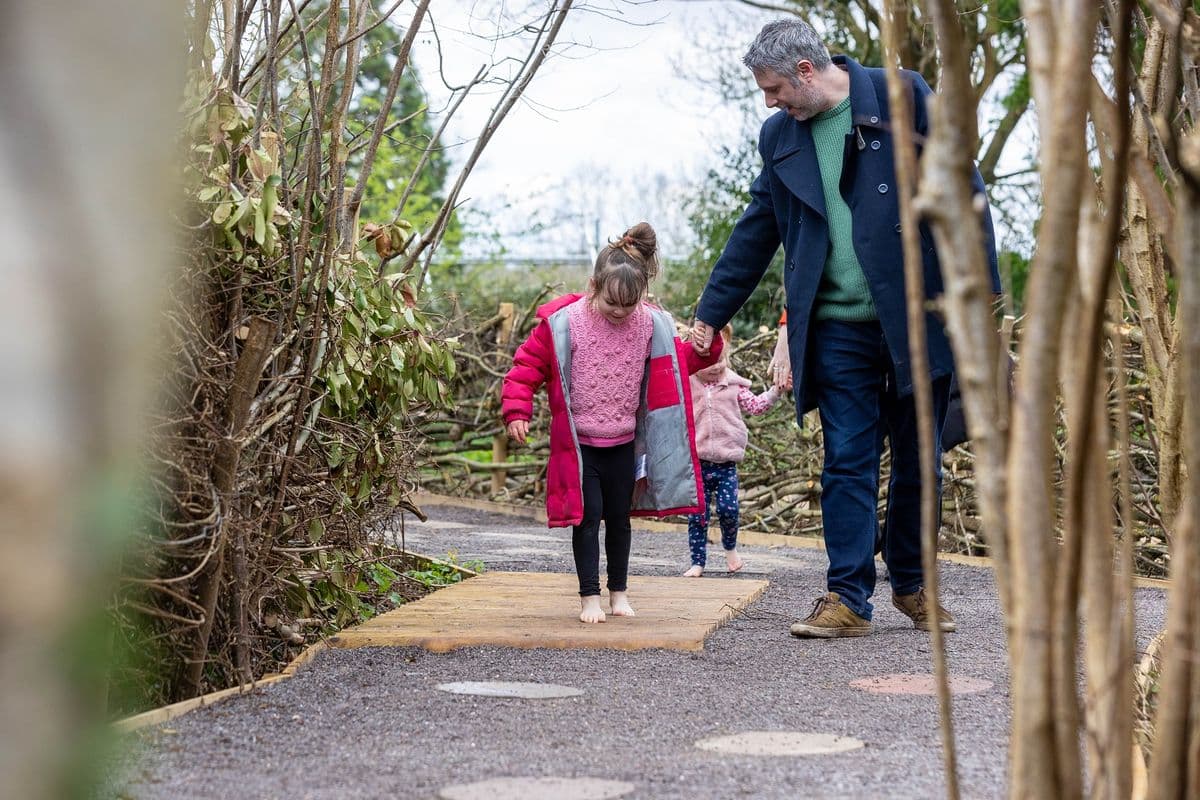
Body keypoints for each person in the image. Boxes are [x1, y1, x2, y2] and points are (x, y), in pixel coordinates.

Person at [689, 19, 1001, 638]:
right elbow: (757, 227)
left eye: (774, 87)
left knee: (920, 461)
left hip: (916, 317)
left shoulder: (903, 96)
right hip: (834, 327)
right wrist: (711, 311)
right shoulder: (780, 135)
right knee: (848, 460)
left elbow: (964, 189)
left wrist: (980, 295)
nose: (770, 101)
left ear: (807, 70)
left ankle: (913, 586)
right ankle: (848, 597)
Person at [501, 222, 723, 624]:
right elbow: (527, 366)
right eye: (611, 303)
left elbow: (679, 365)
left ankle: (618, 592)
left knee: (619, 520)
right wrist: (518, 410)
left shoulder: (651, 324)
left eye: (629, 303)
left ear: (641, 295)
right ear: (593, 286)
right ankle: (589, 597)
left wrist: (708, 348)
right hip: (580, 445)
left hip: (623, 444)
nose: (620, 312)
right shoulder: (564, 324)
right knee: (587, 519)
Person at [684, 325, 782, 577]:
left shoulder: (733, 386)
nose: (717, 367)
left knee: (729, 509)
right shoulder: (689, 385)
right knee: (698, 515)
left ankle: (730, 550)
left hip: (726, 462)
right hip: (698, 462)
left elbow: (756, 406)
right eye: (710, 363)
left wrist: (775, 392)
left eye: (722, 360)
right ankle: (697, 562)